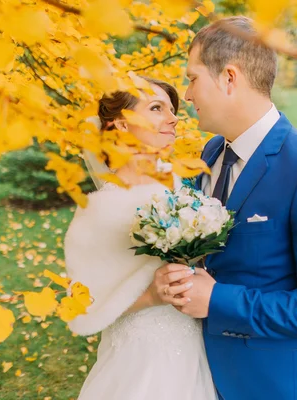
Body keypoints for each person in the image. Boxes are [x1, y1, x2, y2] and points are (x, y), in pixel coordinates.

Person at [152, 17, 297, 399]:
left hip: (272, 383)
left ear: (229, 78)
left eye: (193, 78)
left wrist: (217, 300)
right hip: (199, 371)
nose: (186, 93)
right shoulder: (213, 151)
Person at [64, 77, 217, 400]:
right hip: (143, 362)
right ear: (120, 124)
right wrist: (151, 295)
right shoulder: (99, 211)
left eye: (172, 109)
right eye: (157, 108)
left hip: (197, 346)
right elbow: (78, 307)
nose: (173, 118)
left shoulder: (180, 190)